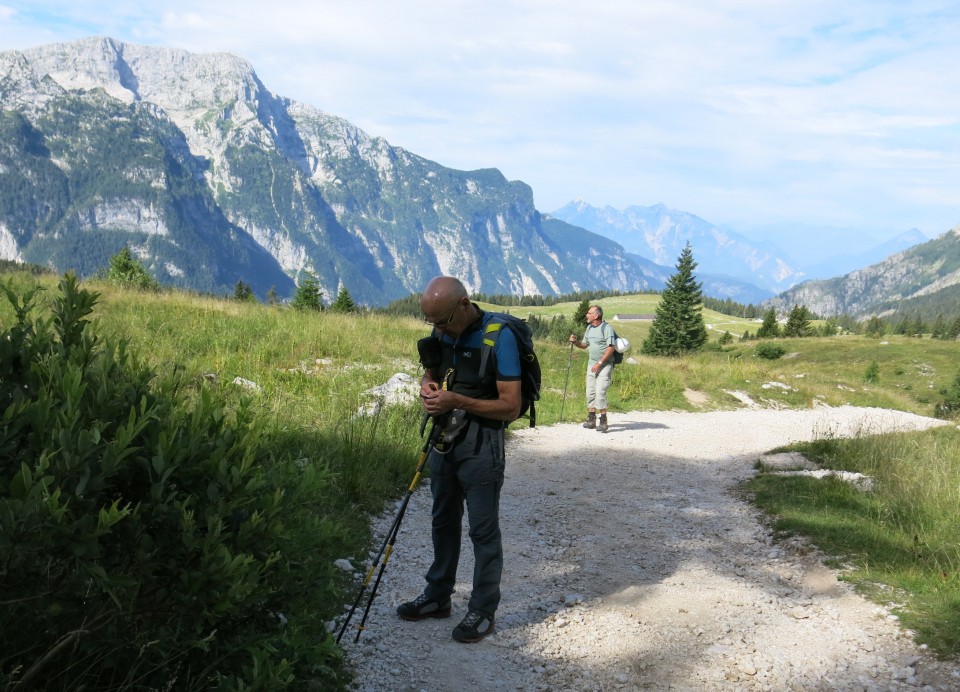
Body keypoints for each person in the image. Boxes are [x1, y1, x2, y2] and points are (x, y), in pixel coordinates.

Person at [397, 276, 522, 643]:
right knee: (442, 519)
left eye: (444, 321)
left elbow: (511, 406)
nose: (439, 329)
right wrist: (427, 386)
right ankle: (438, 596)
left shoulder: (500, 337)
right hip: (444, 439)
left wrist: (458, 401)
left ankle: (483, 610)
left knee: (482, 531)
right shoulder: (442, 332)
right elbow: (431, 372)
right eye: (432, 323)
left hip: (482, 444)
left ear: (464, 304)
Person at [569, 304, 616, 433]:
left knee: (600, 391)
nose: (586, 315)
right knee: (590, 391)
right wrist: (576, 342)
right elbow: (585, 345)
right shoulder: (589, 328)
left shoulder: (607, 328)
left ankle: (603, 421)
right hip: (591, 365)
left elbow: (611, 347)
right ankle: (591, 420)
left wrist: (600, 362)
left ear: (596, 315)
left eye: (589, 313)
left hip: (605, 365)